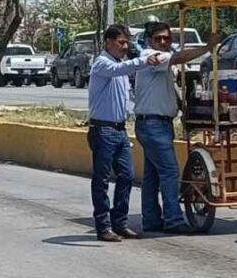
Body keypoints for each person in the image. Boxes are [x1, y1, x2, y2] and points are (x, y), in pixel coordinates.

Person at [134, 24, 219, 234]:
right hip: (153, 125)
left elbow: (166, 90)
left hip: (158, 124)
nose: (163, 42)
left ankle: (151, 219)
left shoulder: (162, 61)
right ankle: (173, 219)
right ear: (149, 40)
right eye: (158, 38)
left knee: (153, 174)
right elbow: (178, 57)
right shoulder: (151, 56)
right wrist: (207, 47)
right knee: (169, 172)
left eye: (166, 38)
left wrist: (181, 106)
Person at [87, 25, 161, 242]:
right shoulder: (102, 63)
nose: (125, 46)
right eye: (121, 42)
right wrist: (144, 61)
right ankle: (103, 226)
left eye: (127, 42)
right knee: (101, 180)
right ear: (108, 42)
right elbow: (120, 69)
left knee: (127, 176)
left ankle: (119, 222)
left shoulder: (120, 67)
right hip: (102, 130)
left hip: (119, 131)